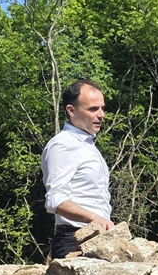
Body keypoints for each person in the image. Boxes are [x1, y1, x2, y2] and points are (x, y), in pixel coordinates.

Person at [41, 79, 113, 260]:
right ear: (71, 111)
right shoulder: (62, 145)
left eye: (102, 108)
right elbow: (55, 200)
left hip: (96, 238)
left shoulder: (87, 144)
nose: (101, 115)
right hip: (73, 241)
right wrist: (95, 218)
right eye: (93, 109)